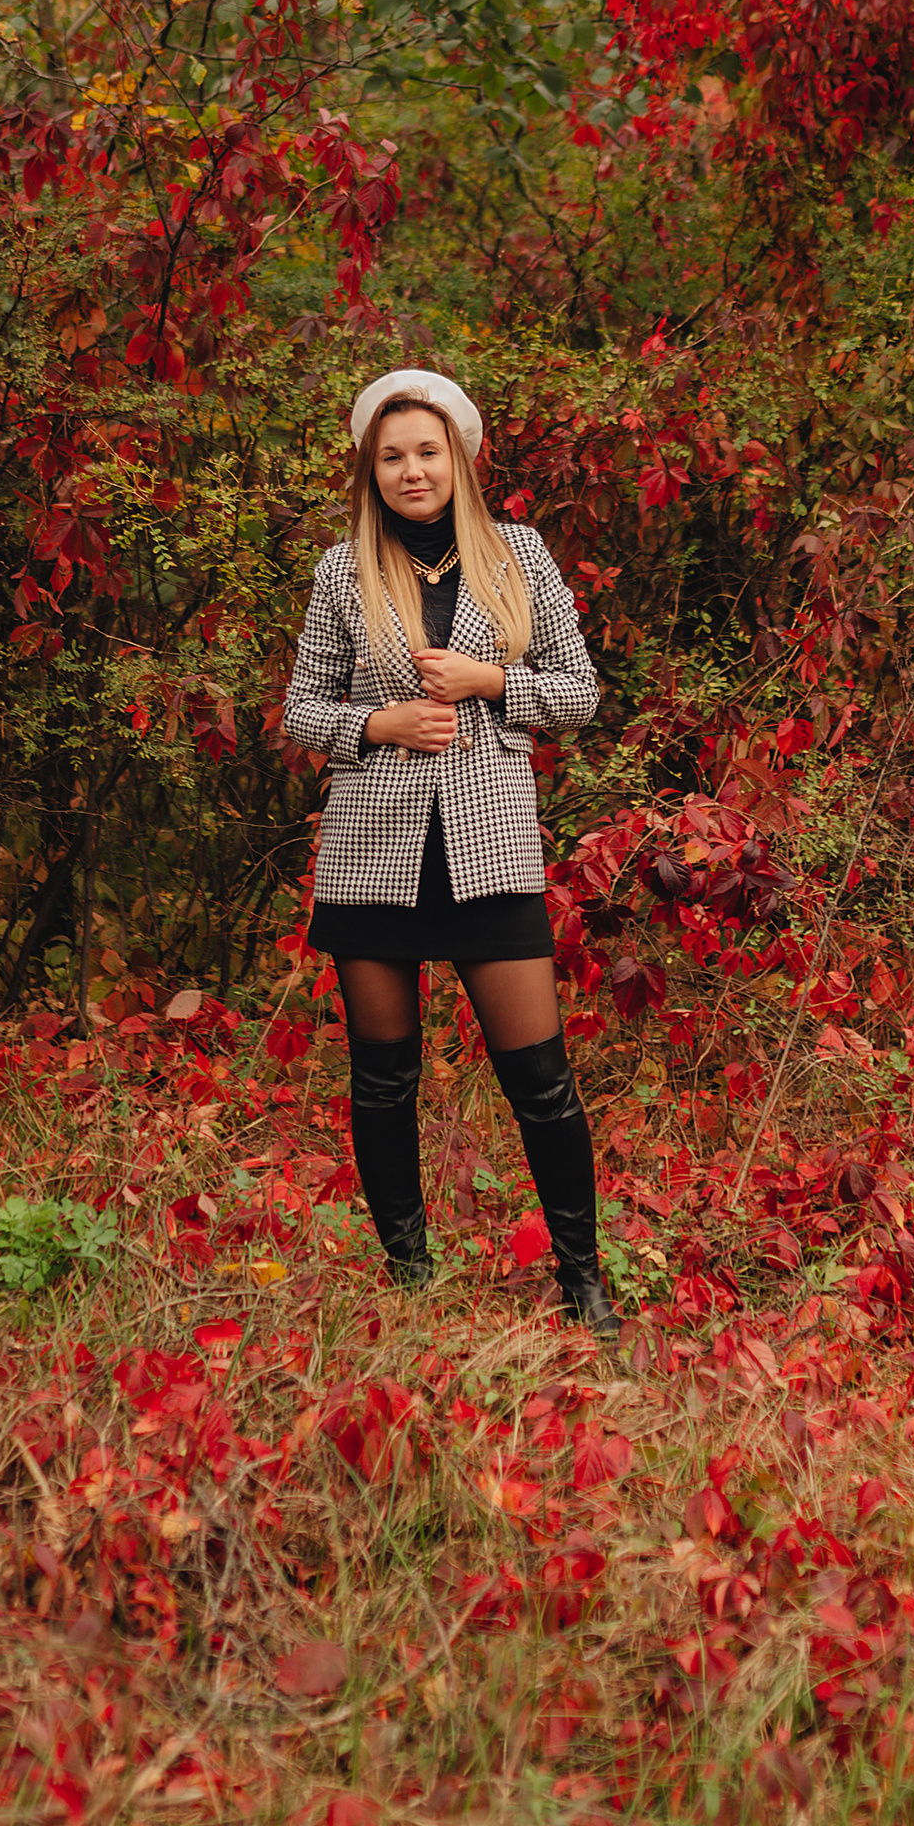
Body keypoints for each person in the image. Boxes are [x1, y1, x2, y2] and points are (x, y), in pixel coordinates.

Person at [283, 365, 618, 1337]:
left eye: (426, 451)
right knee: (383, 1079)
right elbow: (303, 709)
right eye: (391, 456)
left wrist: (490, 681)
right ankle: (409, 1275)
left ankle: (584, 1282)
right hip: (372, 852)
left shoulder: (518, 554)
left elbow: (580, 693)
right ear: (371, 470)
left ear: (461, 458)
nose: (411, 470)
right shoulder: (342, 570)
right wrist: (377, 724)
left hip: (488, 849)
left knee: (541, 1081)